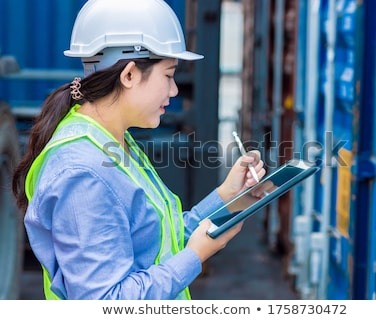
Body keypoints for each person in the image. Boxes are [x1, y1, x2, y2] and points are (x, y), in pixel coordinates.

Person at [11, 0, 265, 300]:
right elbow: (106, 302)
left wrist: (227, 197)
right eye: (168, 75)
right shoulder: (82, 173)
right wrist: (194, 256)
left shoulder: (113, 142)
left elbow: (157, 241)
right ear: (129, 74)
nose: (174, 90)